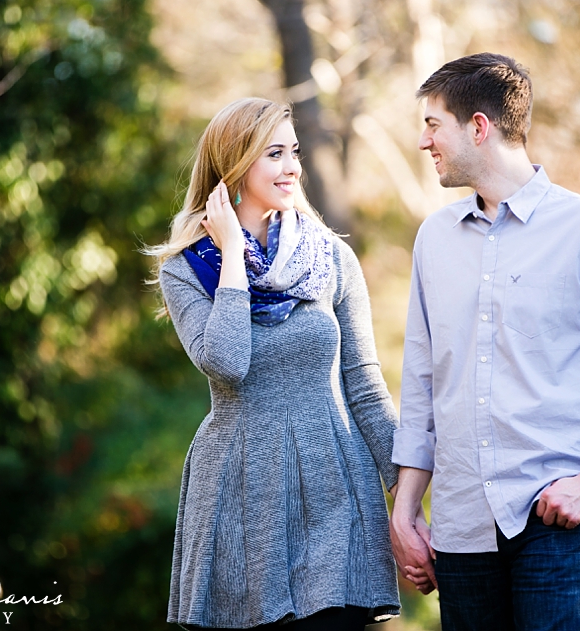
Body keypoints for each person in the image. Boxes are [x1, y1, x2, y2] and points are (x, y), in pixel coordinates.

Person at [388, 53, 580, 631]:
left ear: (479, 126)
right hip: (463, 528)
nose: (424, 141)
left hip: (564, 519)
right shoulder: (434, 240)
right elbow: (422, 385)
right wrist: (405, 510)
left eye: (433, 124)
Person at [149, 98, 401, 630]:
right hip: (241, 494)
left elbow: (364, 384)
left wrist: (406, 494)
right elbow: (227, 362)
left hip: (335, 484)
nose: (292, 167)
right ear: (234, 165)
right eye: (274, 154)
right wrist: (232, 258)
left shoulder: (330, 258)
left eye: (295, 152)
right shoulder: (186, 270)